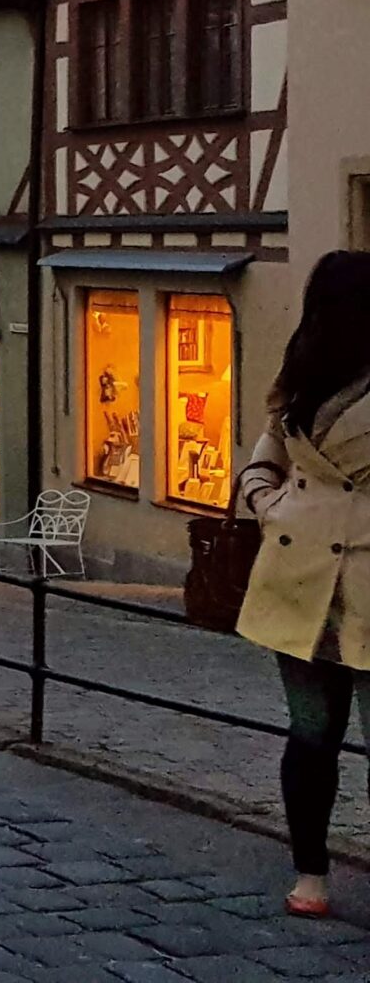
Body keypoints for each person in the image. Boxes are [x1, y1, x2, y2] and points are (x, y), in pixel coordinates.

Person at [238, 250, 370, 919]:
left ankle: (312, 880)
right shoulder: (301, 375)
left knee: (313, 736)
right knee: (311, 735)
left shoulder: (303, 366)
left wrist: (269, 501)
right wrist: (267, 502)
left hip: (337, 580)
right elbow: (265, 456)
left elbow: (265, 456)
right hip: (311, 576)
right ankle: (311, 877)